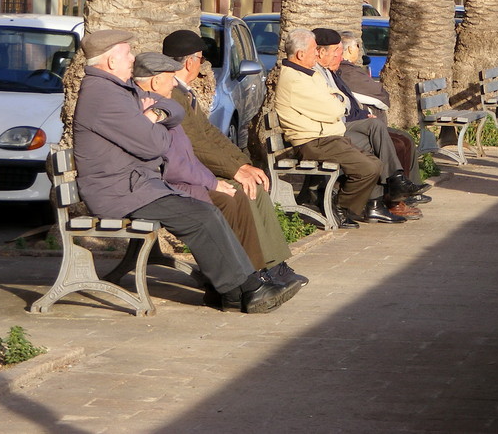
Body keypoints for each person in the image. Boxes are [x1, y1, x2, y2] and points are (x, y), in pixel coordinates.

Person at [72, 29, 292, 314]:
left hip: (139, 186)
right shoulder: (104, 96)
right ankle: (246, 287)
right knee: (201, 215)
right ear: (111, 61)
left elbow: (170, 109)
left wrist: (155, 115)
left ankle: (230, 292)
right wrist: (154, 122)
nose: (132, 58)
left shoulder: (119, 89)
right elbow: (153, 146)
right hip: (122, 193)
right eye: (127, 53)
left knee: (205, 211)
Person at [132, 51, 306, 298]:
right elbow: (183, 157)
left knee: (246, 189)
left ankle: (270, 267)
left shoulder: (169, 102)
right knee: (233, 197)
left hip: (180, 178)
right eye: (170, 77)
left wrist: (241, 164)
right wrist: (219, 178)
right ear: (155, 80)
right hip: (166, 185)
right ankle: (247, 279)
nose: (175, 81)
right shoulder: (154, 104)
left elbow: (207, 137)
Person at [272, 28, 388, 228]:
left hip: (328, 137)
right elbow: (334, 109)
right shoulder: (295, 80)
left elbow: (336, 96)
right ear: (300, 54)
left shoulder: (308, 74)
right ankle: (341, 209)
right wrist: (336, 104)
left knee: (373, 163)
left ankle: (340, 204)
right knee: (368, 168)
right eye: (314, 49)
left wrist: (336, 102)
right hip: (313, 142)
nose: (317, 53)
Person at [311, 28, 422, 221]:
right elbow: (336, 107)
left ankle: (389, 194)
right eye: (337, 51)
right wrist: (358, 113)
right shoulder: (318, 74)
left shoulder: (332, 72)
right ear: (322, 52)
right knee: (377, 139)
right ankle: (383, 198)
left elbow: (347, 102)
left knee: (399, 137)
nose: (341, 55)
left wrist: (363, 113)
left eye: (341, 51)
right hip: (330, 131)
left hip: (347, 124)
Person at [337, 30, 431, 207]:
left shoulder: (348, 71)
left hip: (364, 124)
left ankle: (407, 190)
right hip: (354, 129)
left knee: (406, 138)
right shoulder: (347, 72)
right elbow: (381, 96)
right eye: (358, 46)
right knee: (398, 145)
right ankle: (394, 198)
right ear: (349, 49)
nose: (360, 50)